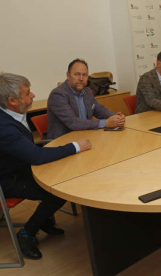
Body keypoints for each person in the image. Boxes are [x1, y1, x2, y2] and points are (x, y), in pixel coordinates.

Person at [0, 73, 92, 259]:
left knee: (61, 175)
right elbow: (35, 156)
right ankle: (26, 233)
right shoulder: (5, 128)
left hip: (20, 166)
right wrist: (75, 146)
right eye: (27, 93)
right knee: (57, 191)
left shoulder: (11, 113)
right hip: (9, 180)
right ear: (12, 101)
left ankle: (44, 219)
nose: (33, 95)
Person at [47, 59, 125, 139]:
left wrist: (116, 117)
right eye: (77, 74)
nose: (81, 78)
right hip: (62, 143)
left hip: (84, 137)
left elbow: (99, 110)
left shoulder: (87, 91)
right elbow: (73, 122)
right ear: (68, 75)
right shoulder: (58, 94)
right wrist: (106, 123)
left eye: (84, 75)